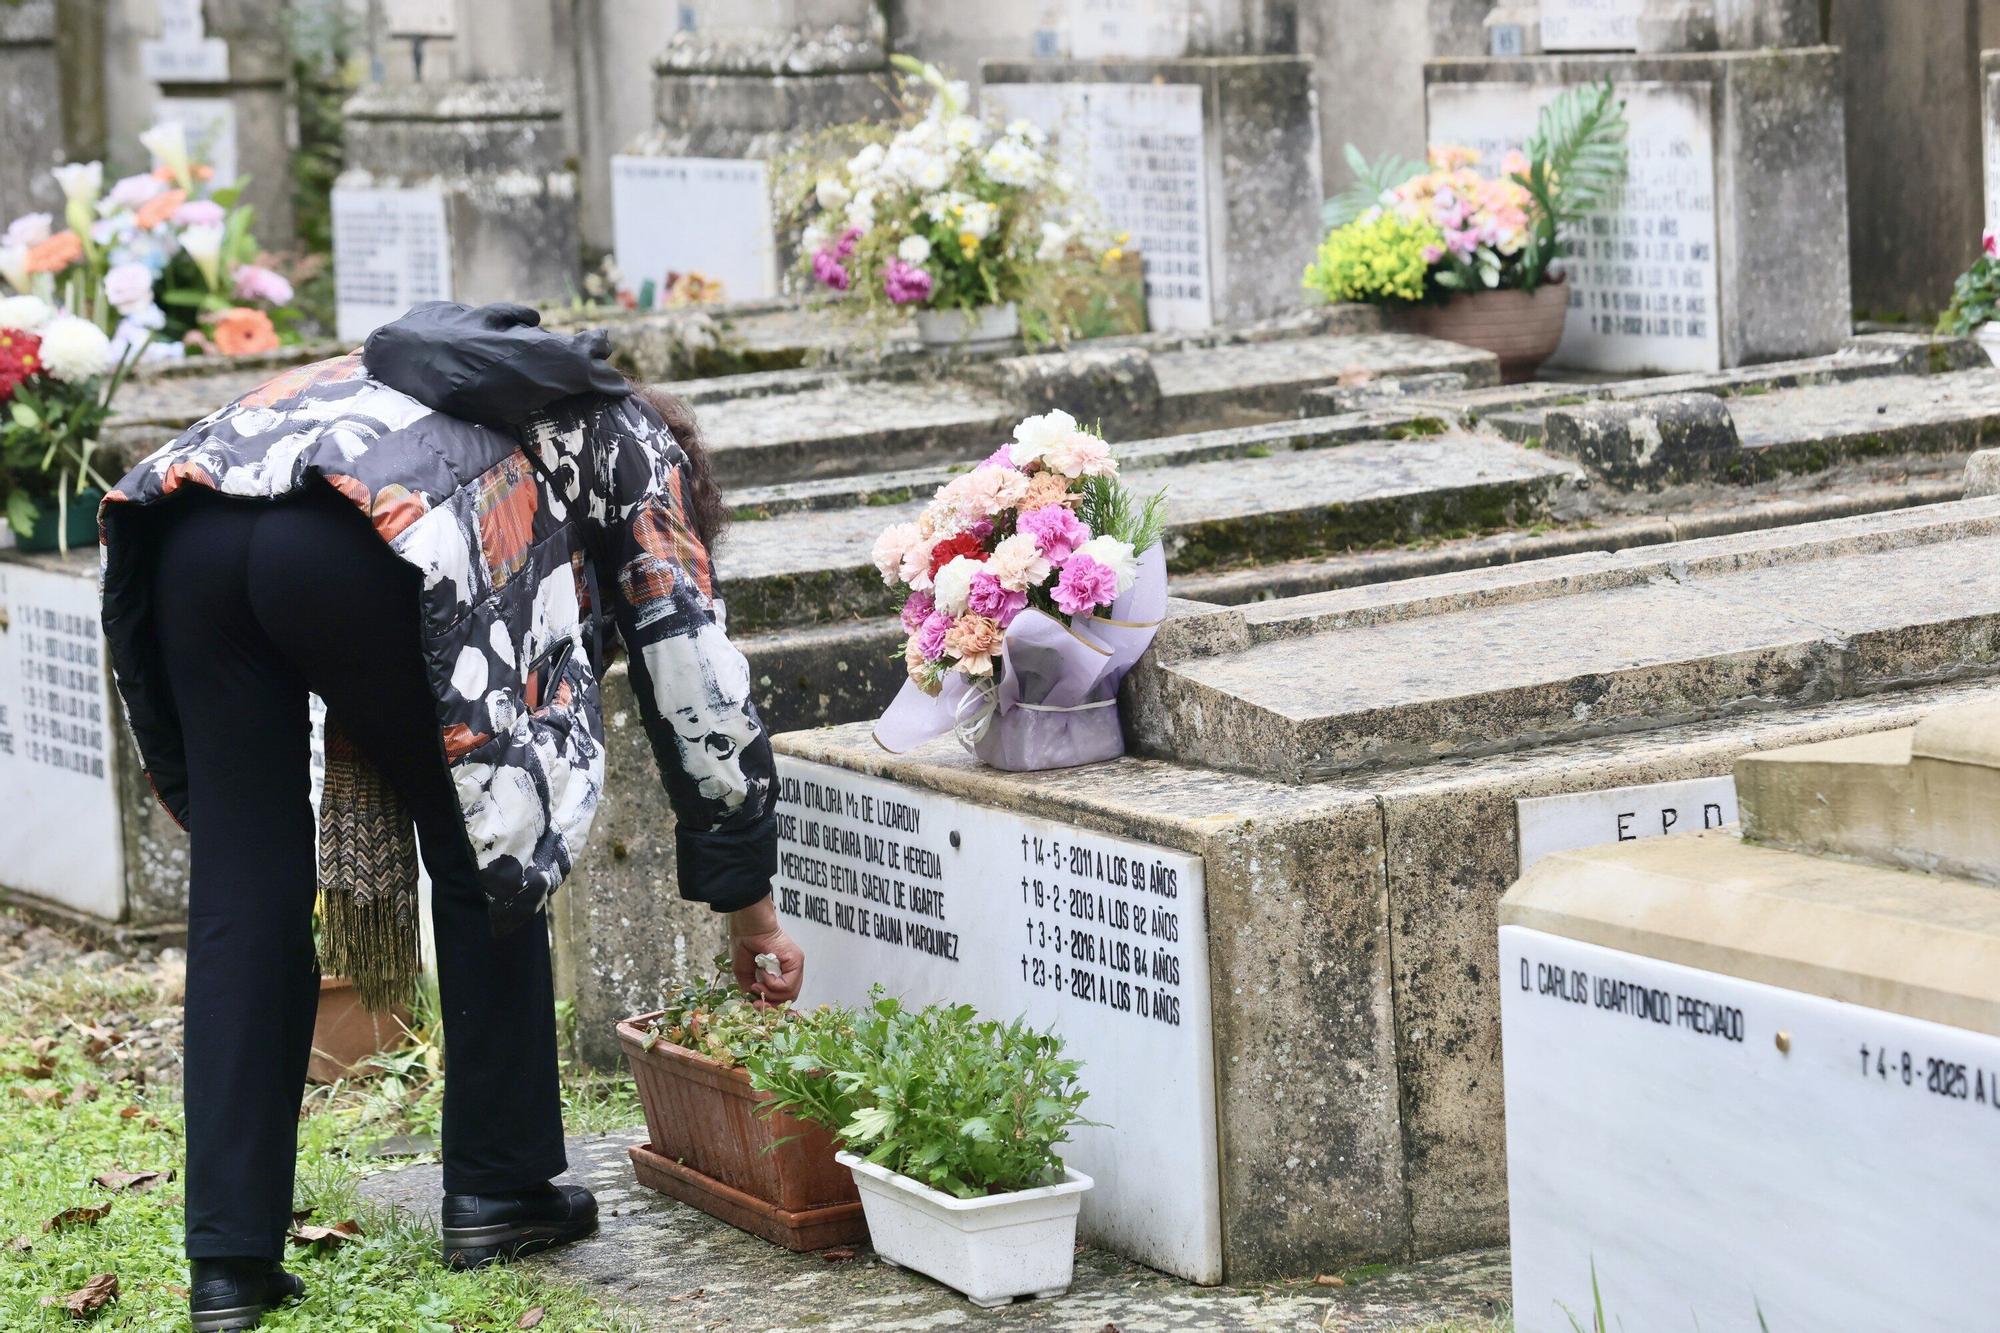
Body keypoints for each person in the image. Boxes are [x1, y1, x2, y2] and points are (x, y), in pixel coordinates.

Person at [98, 302, 805, 1332]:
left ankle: (229, 1264)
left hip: (187, 527)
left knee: (243, 889)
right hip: (360, 544)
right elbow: (693, 675)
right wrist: (753, 914)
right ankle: (498, 1186)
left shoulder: (440, 378)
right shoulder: (629, 441)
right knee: (491, 837)